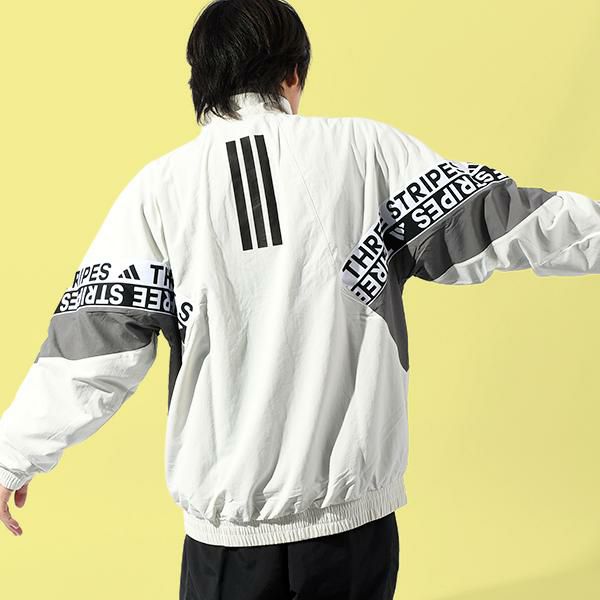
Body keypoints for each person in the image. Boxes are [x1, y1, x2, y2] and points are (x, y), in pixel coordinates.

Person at [2, 0, 600, 598]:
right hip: (353, 530)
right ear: (294, 73)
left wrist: (12, 457)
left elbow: (91, 350)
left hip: (225, 543)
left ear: (201, 81)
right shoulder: (368, 153)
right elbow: (505, 223)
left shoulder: (157, 193)